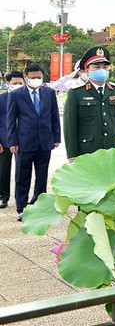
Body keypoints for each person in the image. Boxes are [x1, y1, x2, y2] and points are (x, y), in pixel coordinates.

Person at [6, 64, 61, 221]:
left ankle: (38, 205)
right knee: (22, 177)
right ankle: (22, 208)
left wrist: (56, 137)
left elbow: (54, 116)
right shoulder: (16, 95)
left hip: (45, 142)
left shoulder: (49, 93)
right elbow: (11, 121)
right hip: (24, 142)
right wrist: (12, 142)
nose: (36, 80)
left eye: (39, 77)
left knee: (42, 177)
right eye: (33, 78)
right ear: (26, 78)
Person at [64, 47, 115, 161]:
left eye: (105, 67)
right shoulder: (76, 93)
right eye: (96, 67)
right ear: (87, 70)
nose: (101, 70)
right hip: (87, 151)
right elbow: (70, 127)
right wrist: (72, 154)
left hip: (114, 150)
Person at [0, 72, 25, 209]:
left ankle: (21, 200)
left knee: (22, 171)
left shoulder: (27, 98)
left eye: (20, 83)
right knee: (3, 170)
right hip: (4, 140)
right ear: (7, 83)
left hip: (23, 139)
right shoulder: (1, 99)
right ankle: (3, 197)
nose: (18, 86)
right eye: (14, 83)